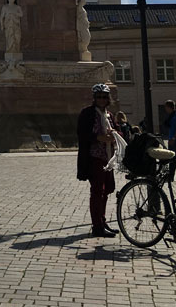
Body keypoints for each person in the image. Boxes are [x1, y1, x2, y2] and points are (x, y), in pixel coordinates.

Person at [77, 83, 121, 238]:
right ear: (94, 98)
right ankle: (97, 226)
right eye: (99, 97)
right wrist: (99, 137)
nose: (102, 99)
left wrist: (115, 135)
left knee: (107, 189)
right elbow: (82, 133)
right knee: (97, 191)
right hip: (94, 157)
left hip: (108, 157)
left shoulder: (109, 114)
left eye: (104, 97)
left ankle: (102, 221)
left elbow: (117, 130)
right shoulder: (88, 113)